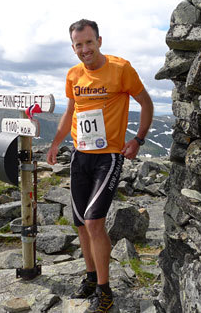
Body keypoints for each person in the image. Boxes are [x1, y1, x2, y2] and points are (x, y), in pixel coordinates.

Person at [46, 19, 154, 313]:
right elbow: (71, 111)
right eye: (78, 44)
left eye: (88, 42)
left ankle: (105, 292)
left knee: (94, 222)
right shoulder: (73, 75)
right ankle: (91, 278)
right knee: (81, 224)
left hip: (109, 156)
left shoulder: (121, 69)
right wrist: (56, 142)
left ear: (99, 41)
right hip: (80, 155)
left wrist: (139, 139)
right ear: (73, 47)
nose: (84, 49)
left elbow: (146, 102)